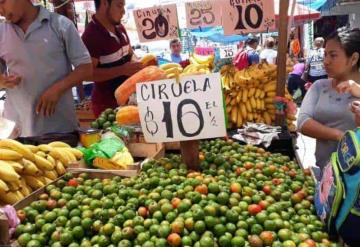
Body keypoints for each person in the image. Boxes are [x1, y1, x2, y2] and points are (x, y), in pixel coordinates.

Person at [0, 0, 92, 137]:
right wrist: (2, 81)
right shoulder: (2, 32)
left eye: (2, 2)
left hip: (59, 129)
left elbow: (86, 68)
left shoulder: (61, 25)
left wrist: (57, 89)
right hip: (15, 130)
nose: (0, 10)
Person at [298, 27, 360, 171]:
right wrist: (341, 136)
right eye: (325, 54)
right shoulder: (320, 86)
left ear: (354, 58)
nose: (325, 61)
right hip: (326, 174)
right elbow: (303, 122)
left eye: (333, 55)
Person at [82, 0, 143, 117]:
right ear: (105, 3)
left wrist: (140, 64)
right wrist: (122, 70)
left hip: (129, 101)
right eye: (119, 5)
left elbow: (130, 53)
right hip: (106, 107)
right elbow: (88, 74)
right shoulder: (91, 35)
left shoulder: (120, 28)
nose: (123, 11)